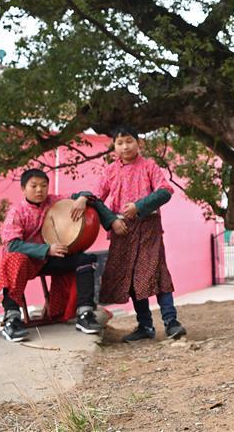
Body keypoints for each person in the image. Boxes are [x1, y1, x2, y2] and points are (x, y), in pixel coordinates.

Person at [0, 168, 114, 342]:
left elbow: (84, 193)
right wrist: (46, 250)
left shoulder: (54, 201)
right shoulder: (17, 212)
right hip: (25, 262)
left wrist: (82, 199)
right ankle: (12, 319)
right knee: (14, 258)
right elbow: (12, 244)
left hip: (48, 260)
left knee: (85, 260)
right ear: (23, 189)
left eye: (44, 185)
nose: (39, 190)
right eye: (34, 186)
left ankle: (85, 314)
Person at [93, 125, 186, 342]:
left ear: (138, 143)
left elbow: (165, 191)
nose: (125, 146)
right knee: (132, 279)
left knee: (158, 272)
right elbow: (95, 199)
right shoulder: (109, 171)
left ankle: (171, 323)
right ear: (114, 147)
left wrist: (138, 206)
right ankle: (145, 326)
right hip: (122, 230)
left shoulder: (149, 166)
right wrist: (112, 221)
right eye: (120, 143)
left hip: (148, 228)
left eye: (129, 141)